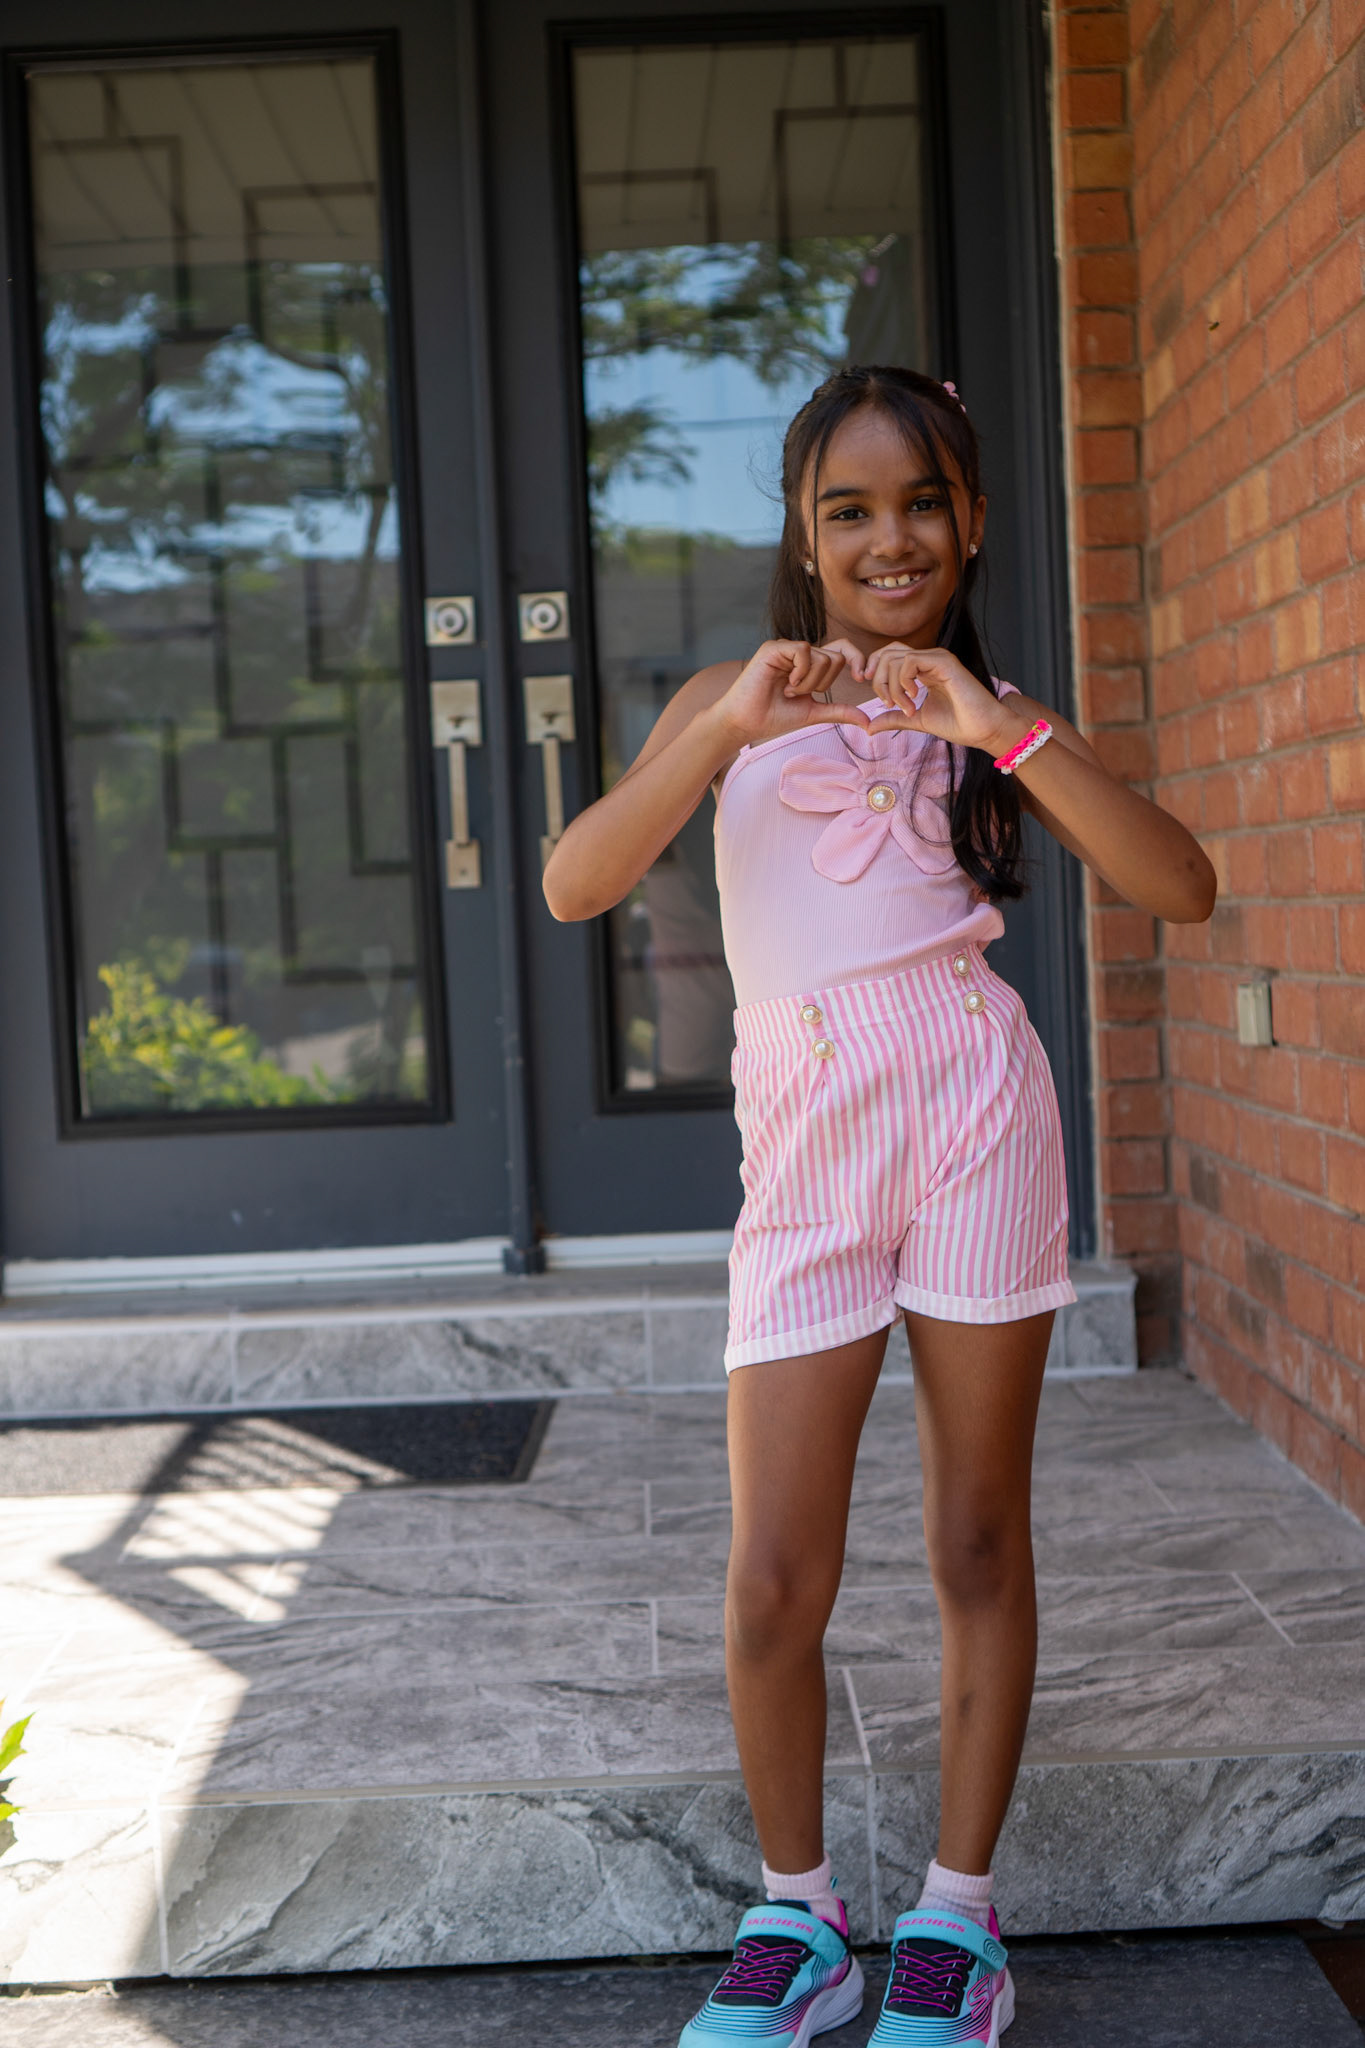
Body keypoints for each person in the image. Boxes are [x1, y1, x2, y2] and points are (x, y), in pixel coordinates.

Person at [544, 365, 1216, 2048]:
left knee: (975, 1537)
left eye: (922, 502)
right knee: (776, 1568)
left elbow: (1179, 885)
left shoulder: (997, 714)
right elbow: (573, 882)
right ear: (802, 533)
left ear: (971, 522)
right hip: (809, 1133)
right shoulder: (727, 703)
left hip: (976, 1104)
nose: (888, 538)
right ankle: (798, 1919)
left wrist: (997, 730)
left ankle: (957, 1925)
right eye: (848, 509)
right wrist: (728, 725)